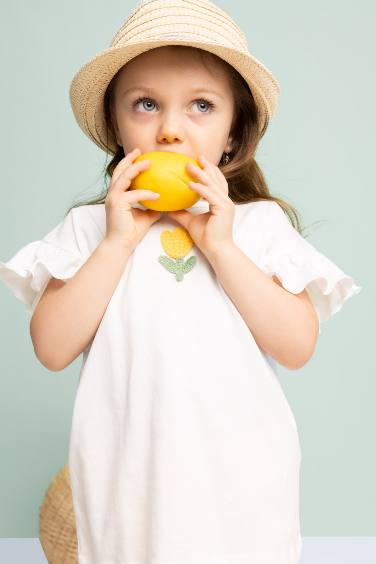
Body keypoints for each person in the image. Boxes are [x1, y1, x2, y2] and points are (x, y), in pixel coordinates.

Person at [0, 1, 362, 563]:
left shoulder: (258, 226)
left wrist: (220, 245)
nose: (170, 129)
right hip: (129, 484)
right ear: (117, 130)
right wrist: (118, 242)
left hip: (242, 480)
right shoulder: (91, 228)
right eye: (146, 105)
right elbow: (50, 347)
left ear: (232, 138)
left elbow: (297, 346)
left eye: (200, 106)